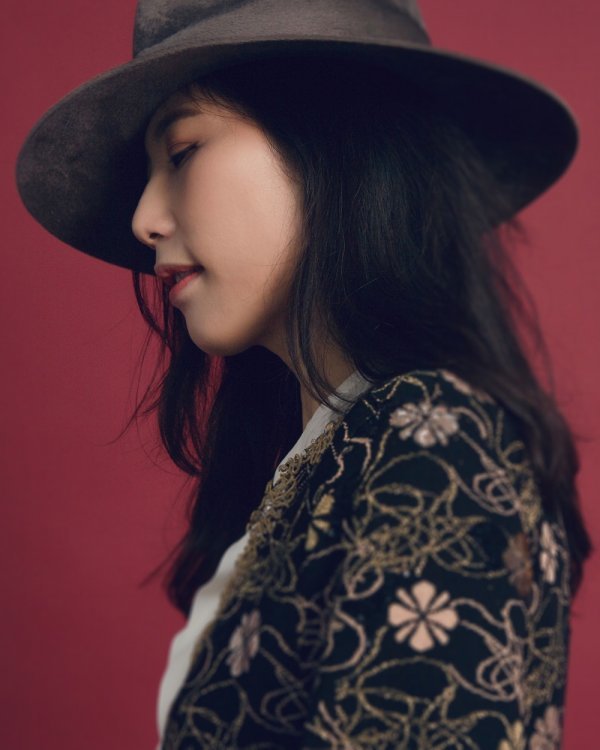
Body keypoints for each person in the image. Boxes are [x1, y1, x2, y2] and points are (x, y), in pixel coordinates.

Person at [16, 1, 592, 748]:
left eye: (182, 151)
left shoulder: (434, 438)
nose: (144, 219)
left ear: (334, 138)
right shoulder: (334, 458)